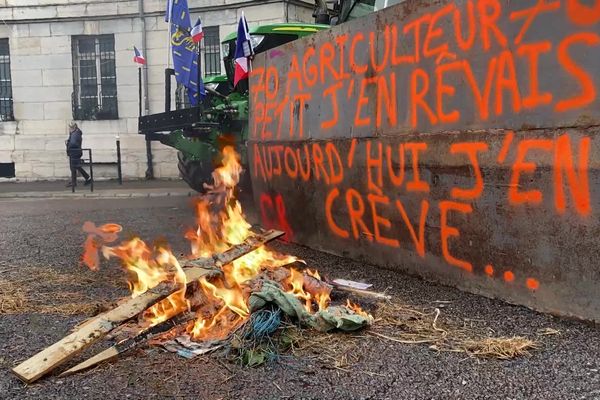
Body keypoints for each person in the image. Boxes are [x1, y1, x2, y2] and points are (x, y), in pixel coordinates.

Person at [66, 122, 91, 187]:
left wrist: (68, 144)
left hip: (74, 152)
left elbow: (73, 143)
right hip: (76, 151)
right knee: (76, 166)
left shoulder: (75, 134)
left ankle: (85, 178)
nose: (69, 129)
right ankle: (85, 178)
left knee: (74, 167)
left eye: (70, 127)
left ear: (73, 127)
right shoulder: (76, 133)